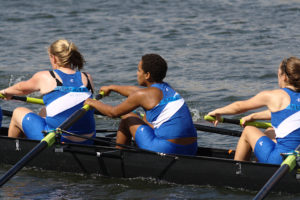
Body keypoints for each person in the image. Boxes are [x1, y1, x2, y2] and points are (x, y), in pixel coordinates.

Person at [85, 54, 198, 155]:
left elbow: (113, 112)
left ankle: (118, 155)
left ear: (147, 75)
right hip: (191, 149)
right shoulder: (168, 89)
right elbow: (135, 91)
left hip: (167, 149)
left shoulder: (144, 95)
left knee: (128, 116)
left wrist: (92, 102)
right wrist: (112, 88)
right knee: (146, 118)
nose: (137, 73)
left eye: (139, 70)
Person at [0, 39, 96, 144]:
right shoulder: (87, 77)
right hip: (88, 140)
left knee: (18, 112)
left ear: (54, 58)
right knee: (44, 111)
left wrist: (6, 92)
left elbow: (21, 88)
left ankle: (11, 150)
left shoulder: (46, 76)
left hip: (58, 140)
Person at [207, 57, 300, 164]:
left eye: (278, 74)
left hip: (282, 161)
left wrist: (219, 111)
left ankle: (237, 171)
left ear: (284, 77)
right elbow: (287, 113)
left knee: (248, 130)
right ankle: (259, 164)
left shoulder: (274, 96)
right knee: (270, 130)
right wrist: (253, 116)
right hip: (297, 159)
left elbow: (240, 106)